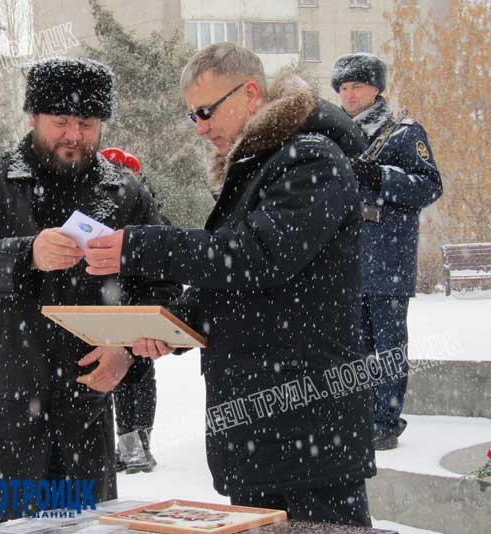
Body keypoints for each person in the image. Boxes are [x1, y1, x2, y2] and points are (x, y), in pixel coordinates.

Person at [85, 43, 376, 526]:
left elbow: (255, 258)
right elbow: (233, 283)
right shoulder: (259, 165)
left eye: (206, 111)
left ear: (252, 93)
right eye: (191, 116)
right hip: (261, 430)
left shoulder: (310, 160)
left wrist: (139, 245)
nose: (199, 127)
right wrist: (163, 330)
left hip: (308, 427)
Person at [0, 57, 179, 533]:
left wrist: (127, 351)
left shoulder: (125, 193)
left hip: (80, 425)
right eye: (60, 121)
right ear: (32, 118)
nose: (73, 135)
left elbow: (162, 286)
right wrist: (26, 253)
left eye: (86, 123)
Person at [332, 53, 443, 450]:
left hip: (387, 257)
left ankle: (386, 419)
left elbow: (429, 185)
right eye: (343, 88)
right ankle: (359, 415)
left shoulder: (402, 132)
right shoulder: (336, 135)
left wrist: (382, 176)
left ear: (376, 88)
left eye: (356, 86)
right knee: (353, 347)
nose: (349, 94)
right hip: (346, 260)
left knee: (389, 346)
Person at [101, 148, 158, 474]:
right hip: (115, 302)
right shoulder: (104, 206)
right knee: (124, 377)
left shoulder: (145, 206)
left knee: (140, 372)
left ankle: (139, 443)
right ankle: (130, 442)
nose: (120, 175)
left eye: (124, 169)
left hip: (139, 300)